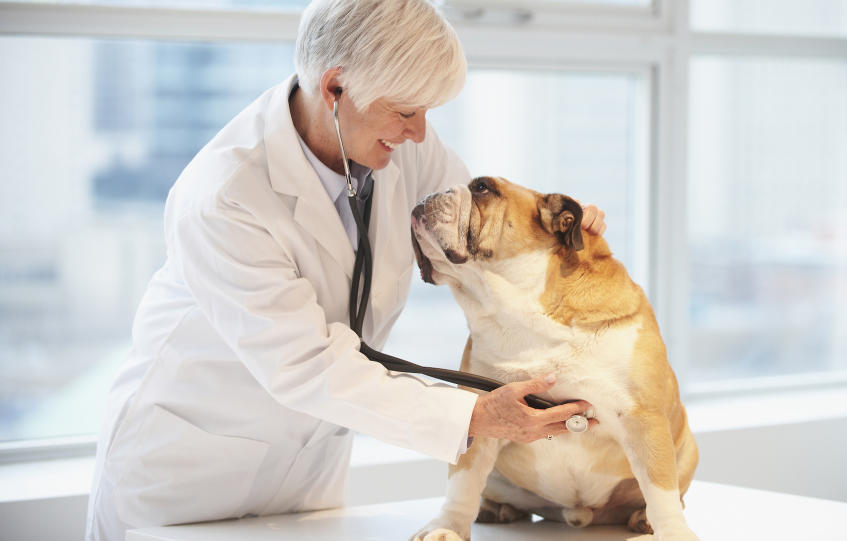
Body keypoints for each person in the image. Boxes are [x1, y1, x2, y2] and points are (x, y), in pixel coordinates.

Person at [85, 1, 605, 539]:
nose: (420, 133)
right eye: (405, 111)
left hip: (308, 474)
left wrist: (560, 235)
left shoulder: (403, 154)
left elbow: (475, 232)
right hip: (187, 471)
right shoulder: (226, 194)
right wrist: (475, 417)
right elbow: (306, 364)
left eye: (427, 112)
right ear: (335, 89)